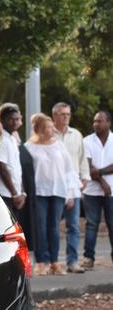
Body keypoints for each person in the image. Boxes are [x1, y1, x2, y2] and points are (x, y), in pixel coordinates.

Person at [24, 113, 80, 276]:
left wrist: (70, 193)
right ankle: (41, 262)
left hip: (58, 191)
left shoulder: (59, 145)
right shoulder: (29, 146)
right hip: (39, 192)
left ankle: (55, 262)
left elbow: (68, 170)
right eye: (48, 127)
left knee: (53, 227)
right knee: (40, 227)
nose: (52, 129)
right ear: (40, 129)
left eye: (52, 126)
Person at [52, 102, 89, 273]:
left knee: (73, 226)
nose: (65, 117)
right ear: (54, 116)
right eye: (62, 114)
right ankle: (51, 262)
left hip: (73, 187)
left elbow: (82, 159)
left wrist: (85, 178)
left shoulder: (76, 135)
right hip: (54, 188)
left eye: (68, 114)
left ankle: (72, 261)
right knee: (52, 226)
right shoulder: (48, 133)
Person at [81, 110, 113, 271]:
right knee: (91, 224)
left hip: (112, 192)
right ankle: (89, 257)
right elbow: (87, 165)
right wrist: (103, 182)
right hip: (91, 191)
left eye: (100, 121)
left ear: (108, 123)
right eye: (94, 121)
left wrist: (99, 173)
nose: (96, 124)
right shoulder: (87, 141)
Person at [0, 103, 26, 217]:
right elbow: (2, 169)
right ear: (2, 120)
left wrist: (22, 192)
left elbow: (17, 168)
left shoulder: (12, 139)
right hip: (3, 193)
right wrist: (15, 194)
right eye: (10, 119)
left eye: (17, 119)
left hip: (13, 193)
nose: (14, 122)